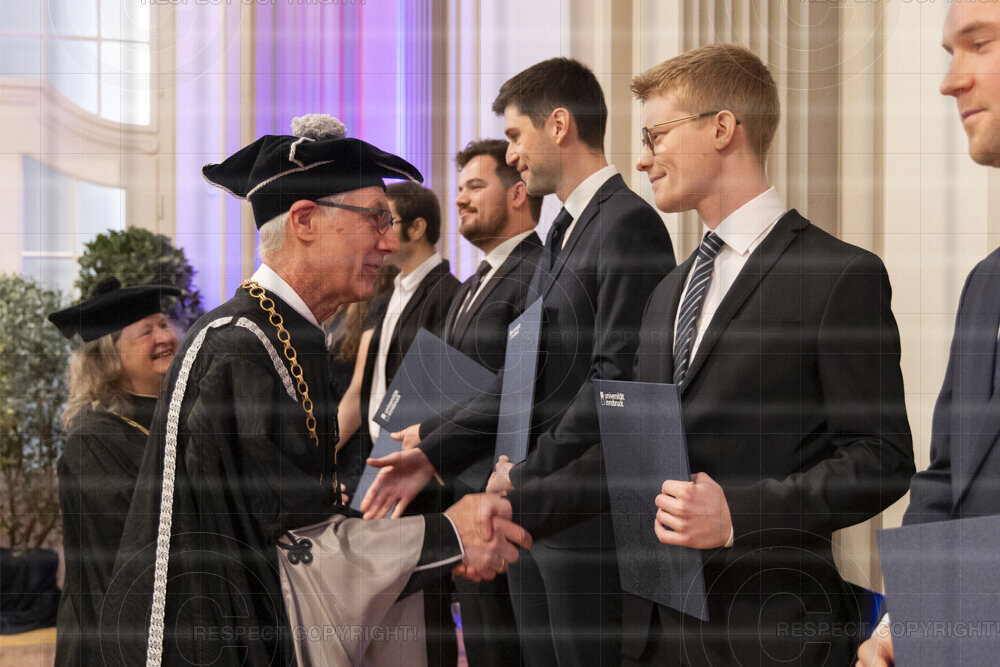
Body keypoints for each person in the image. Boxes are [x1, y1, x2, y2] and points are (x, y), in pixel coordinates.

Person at [98, 115, 531, 667]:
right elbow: (292, 555)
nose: (390, 240)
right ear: (305, 220)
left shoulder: (288, 335)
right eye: (375, 217)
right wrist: (449, 534)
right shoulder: (235, 349)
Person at [575, 43, 913, 666]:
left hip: (771, 630)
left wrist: (738, 513)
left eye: (655, 135)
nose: (642, 159)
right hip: (655, 633)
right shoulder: (667, 292)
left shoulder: (839, 275)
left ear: (723, 128)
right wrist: (509, 503)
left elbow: (882, 459)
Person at [360, 59, 677, 665]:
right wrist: (436, 448)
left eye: (514, 135)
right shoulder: (562, 232)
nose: (512, 154)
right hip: (536, 509)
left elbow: (616, 383)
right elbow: (527, 373)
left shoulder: (627, 222)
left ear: (558, 125)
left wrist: (528, 471)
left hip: (587, 518)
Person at [364, 138, 544, 666]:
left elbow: (520, 386)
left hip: (509, 495)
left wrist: (430, 437)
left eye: (475, 186)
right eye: (459, 187)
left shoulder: (539, 271)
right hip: (458, 490)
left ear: (518, 192)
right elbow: (445, 383)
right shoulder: (474, 284)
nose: (460, 198)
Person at [857, 3, 1000, 665]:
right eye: (950, 52)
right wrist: (908, 624)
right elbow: (947, 480)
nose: (950, 80)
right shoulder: (985, 284)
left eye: (980, 44)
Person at [353, 181, 461, 666]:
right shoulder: (390, 294)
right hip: (380, 454)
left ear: (417, 228)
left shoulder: (448, 293)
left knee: (426, 603)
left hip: (418, 460)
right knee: (391, 604)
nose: (377, 232)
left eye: (387, 220)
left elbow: (450, 390)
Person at [48, 277, 180, 667]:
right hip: (119, 630)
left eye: (163, 324)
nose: (164, 337)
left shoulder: (180, 413)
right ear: (108, 356)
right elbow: (132, 540)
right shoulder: (92, 439)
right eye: (146, 332)